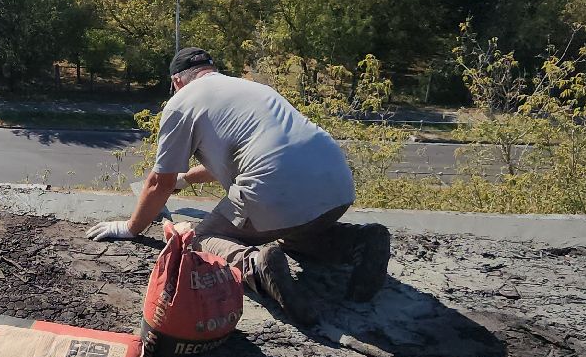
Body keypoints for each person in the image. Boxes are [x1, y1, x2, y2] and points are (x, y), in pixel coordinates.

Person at [85, 46, 389, 327]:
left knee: (198, 238)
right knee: (288, 231)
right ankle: (357, 242)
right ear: (211, 70)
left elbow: (157, 183)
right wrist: (186, 179)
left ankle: (257, 265)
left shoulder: (181, 103)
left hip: (275, 190)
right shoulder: (253, 88)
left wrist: (130, 228)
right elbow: (244, 157)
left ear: (176, 81)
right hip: (337, 186)